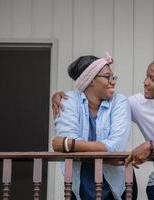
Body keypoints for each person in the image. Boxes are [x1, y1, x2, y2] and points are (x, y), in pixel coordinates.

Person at [53, 55, 154, 200]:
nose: (146, 82)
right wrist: (61, 96)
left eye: (152, 79)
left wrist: (70, 144)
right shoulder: (136, 103)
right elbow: (101, 104)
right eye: (147, 76)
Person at [52, 52, 137, 200]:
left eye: (113, 77)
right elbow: (111, 151)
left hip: (117, 184)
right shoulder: (67, 100)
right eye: (107, 77)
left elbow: (116, 146)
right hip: (80, 182)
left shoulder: (120, 102)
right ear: (90, 80)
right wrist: (108, 157)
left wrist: (69, 144)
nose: (113, 81)